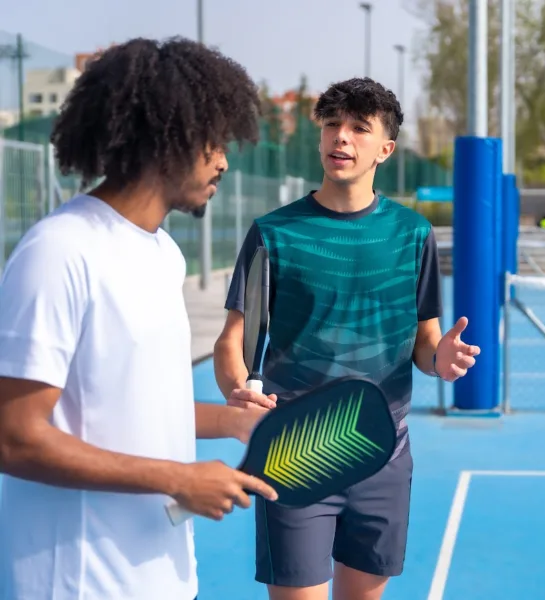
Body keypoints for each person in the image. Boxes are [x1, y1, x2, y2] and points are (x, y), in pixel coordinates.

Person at [0, 37, 279, 600]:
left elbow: (134, 403)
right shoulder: (59, 251)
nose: (224, 159)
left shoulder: (162, 252)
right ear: (163, 138)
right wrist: (179, 478)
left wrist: (233, 422)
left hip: (165, 578)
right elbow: (13, 437)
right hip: (77, 585)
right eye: (212, 140)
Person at [213, 77, 481, 600]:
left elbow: (424, 341)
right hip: (296, 451)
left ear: (385, 148)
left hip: (384, 451)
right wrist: (236, 389)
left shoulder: (413, 234)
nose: (342, 137)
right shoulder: (273, 233)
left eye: (359, 128)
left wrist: (440, 358)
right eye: (332, 125)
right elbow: (233, 338)